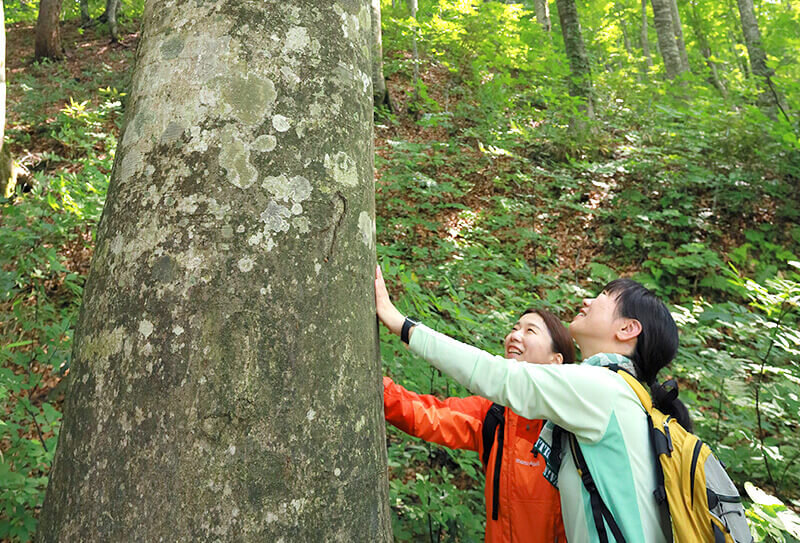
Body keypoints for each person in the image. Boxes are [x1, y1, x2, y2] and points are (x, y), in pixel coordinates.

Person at [376, 267, 691, 543]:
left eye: (604, 295)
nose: (587, 301)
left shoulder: (602, 388)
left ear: (627, 329)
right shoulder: (621, 396)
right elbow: (428, 414)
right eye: (515, 327)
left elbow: (498, 375)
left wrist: (400, 323)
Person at [384, 305, 575, 542]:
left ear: (556, 360)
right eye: (515, 328)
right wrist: (375, 387)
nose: (514, 335)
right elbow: (428, 415)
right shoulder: (494, 415)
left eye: (530, 331)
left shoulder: (572, 426)